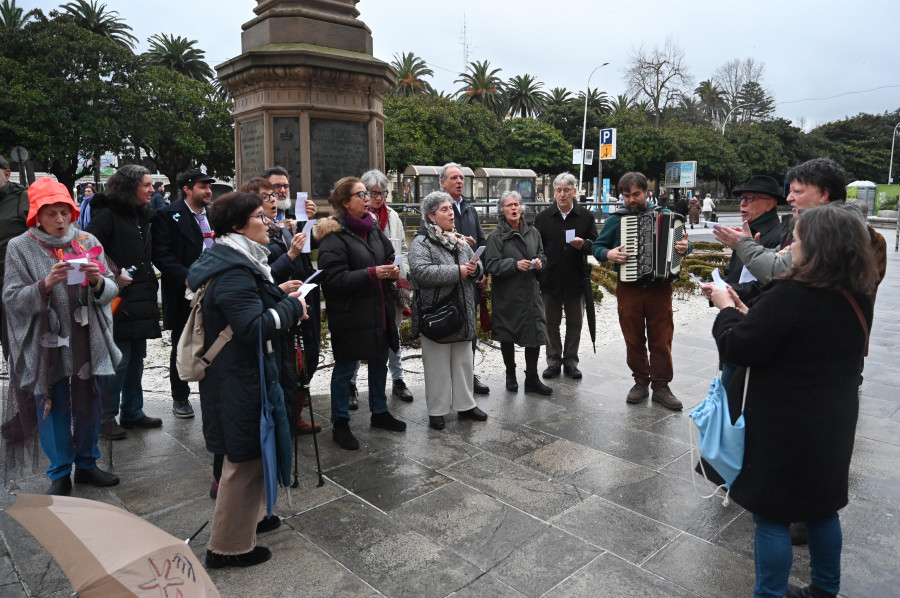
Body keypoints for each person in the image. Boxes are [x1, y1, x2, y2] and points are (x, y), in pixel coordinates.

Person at [708, 203, 877, 598]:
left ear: (818, 247)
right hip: (833, 420)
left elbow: (740, 347)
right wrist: (752, 313)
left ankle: (770, 594)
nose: (789, 248)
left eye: (797, 240)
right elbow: (799, 339)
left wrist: (726, 308)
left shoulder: (794, 294)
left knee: (771, 516)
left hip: (785, 424)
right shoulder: (856, 291)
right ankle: (825, 589)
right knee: (822, 507)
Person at [186, 191, 307, 569]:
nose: (268, 222)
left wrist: (276, 293)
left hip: (243, 374)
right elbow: (253, 328)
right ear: (238, 226)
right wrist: (291, 307)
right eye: (259, 216)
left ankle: (253, 520)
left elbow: (249, 307)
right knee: (241, 460)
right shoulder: (235, 270)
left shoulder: (237, 259)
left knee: (253, 453)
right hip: (238, 377)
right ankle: (227, 548)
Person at [3, 177, 121, 495]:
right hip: (46, 345)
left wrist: (97, 282)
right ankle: (59, 471)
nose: (59, 220)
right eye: (51, 213)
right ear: (36, 216)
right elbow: (12, 298)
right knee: (51, 404)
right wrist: (45, 285)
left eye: (64, 212)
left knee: (89, 402)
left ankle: (86, 464)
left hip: (86, 339)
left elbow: (111, 285)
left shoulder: (85, 240)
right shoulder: (20, 247)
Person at [314, 177, 406, 451]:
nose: (367, 198)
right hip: (350, 314)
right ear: (344, 202)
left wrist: (392, 269)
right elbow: (332, 280)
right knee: (345, 369)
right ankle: (340, 423)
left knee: (379, 360)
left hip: (378, 308)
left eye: (367, 194)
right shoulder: (333, 236)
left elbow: (388, 255)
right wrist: (371, 273)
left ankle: (379, 412)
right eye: (360, 194)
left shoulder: (373, 228)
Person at [592, 172, 691, 410]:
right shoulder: (616, 220)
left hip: (659, 287)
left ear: (647, 192)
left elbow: (685, 244)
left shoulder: (666, 215)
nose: (631, 200)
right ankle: (640, 381)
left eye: (636, 194)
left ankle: (661, 386)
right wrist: (609, 254)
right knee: (633, 338)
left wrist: (686, 247)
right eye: (626, 195)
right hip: (629, 288)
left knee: (662, 338)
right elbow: (597, 247)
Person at [86, 165, 163, 439]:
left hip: (140, 297)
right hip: (118, 299)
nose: (152, 190)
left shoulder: (141, 216)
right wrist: (113, 272)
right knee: (119, 360)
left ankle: (133, 412)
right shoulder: (107, 216)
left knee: (137, 359)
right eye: (147, 185)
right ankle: (106, 417)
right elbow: (89, 247)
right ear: (131, 188)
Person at [240, 176, 321, 436]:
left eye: (277, 194)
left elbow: (307, 248)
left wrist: (308, 224)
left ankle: (294, 415)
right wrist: (290, 256)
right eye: (268, 195)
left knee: (305, 359)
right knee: (288, 366)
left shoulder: (281, 227)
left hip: (300, 301)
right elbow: (264, 277)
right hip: (278, 309)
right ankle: (286, 419)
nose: (275, 198)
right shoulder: (252, 239)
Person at [408, 191, 488, 430]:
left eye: (451, 208)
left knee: (464, 361)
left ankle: (466, 405)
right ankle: (438, 410)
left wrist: (475, 269)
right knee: (437, 365)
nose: (451, 213)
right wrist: (458, 272)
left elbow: (476, 266)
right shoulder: (421, 242)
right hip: (437, 314)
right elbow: (420, 272)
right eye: (444, 209)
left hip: (462, 312)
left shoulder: (458, 240)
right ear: (431, 216)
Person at [152, 168, 216, 420]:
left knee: (214, 342)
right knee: (183, 343)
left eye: (209, 186)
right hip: (183, 292)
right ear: (187, 189)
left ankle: (211, 392)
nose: (208, 190)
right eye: (203, 186)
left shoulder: (213, 215)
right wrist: (187, 276)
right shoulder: (167, 215)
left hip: (214, 289)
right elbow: (161, 254)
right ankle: (180, 397)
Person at [348, 169, 415, 405]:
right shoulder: (356, 220)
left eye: (383, 192)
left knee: (393, 334)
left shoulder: (393, 217)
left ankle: (398, 381)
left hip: (392, 286)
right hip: (368, 287)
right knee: (360, 338)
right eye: (373, 193)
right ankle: (351, 385)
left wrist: (402, 274)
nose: (378, 198)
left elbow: (403, 251)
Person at [484, 191, 552, 395]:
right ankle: (510, 374)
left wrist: (540, 262)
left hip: (530, 293)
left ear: (522, 207)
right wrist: (514, 264)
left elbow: (542, 254)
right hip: (508, 295)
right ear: (502, 210)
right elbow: (491, 264)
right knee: (508, 334)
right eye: (508, 205)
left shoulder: (533, 232)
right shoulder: (496, 236)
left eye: (516, 204)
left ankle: (532, 377)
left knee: (535, 333)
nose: (514, 208)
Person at [533, 172, 598, 381]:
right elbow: (535, 247)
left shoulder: (585, 216)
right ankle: (553, 361)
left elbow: (596, 246)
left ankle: (570, 361)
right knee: (550, 322)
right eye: (559, 191)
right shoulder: (542, 218)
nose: (562, 195)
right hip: (549, 279)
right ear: (553, 193)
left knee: (575, 322)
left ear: (575, 191)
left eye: (567, 190)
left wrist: (584, 245)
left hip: (575, 278)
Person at [440, 162, 490, 395]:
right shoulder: (436, 208)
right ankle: (450, 380)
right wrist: (459, 239)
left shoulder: (469, 208)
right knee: (450, 326)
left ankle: (468, 375)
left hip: (470, 279)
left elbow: (481, 240)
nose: (460, 181)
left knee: (470, 328)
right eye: (454, 178)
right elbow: (431, 237)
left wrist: (483, 271)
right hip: (449, 281)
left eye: (461, 178)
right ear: (443, 183)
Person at [715, 175, 784, 302]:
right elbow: (733, 272)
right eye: (742, 198)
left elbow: (765, 286)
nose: (742, 203)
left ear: (769, 204)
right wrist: (718, 285)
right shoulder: (748, 231)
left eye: (750, 198)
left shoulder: (777, 237)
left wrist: (728, 290)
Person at [0, 154, 29, 357]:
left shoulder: (22, 197)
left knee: (14, 343)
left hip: (12, 280)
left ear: (7, 174)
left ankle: (20, 387)